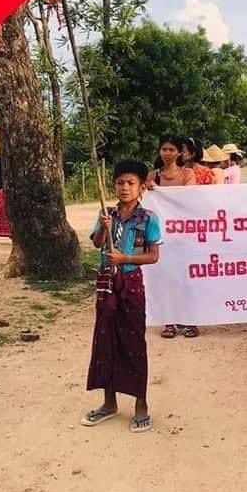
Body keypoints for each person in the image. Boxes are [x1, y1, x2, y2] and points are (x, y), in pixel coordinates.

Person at [83, 159, 162, 433]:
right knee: (105, 339)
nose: (124, 188)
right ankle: (108, 403)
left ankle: (141, 406)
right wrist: (104, 228)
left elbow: (153, 256)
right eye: (120, 182)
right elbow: (95, 243)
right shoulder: (107, 213)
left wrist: (125, 257)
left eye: (131, 183)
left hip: (131, 282)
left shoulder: (149, 218)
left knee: (133, 341)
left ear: (141, 188)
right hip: (106, 281)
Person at [147, 136, 199, 339]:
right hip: (161, 238)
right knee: (165, 280)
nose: (167, 153)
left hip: (184, 237)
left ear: (180, 153)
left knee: (187, 280)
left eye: (171, 149)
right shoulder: (152, 176)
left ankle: (191, 321)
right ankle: (168, 322)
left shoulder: (188, 174)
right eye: (164, 149)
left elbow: (189, 198)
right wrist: (149, 187)